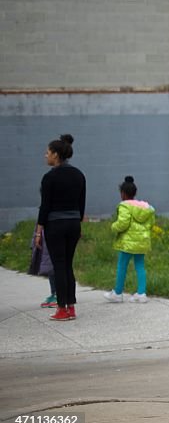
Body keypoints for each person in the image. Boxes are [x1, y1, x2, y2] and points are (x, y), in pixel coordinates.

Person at [36, 134, 86, 321]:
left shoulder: (49, 178)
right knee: (68, 264)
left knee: (59, 265)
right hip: (73, 223)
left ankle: (62, 309)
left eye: (48, 152)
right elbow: (81, 204)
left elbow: (45, 206)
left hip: (55, 225)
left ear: (56, 155)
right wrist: (78, 225)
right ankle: (71, 307)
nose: (45, 155)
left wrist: (39, 230)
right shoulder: (79, 175)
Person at [104, 176, 155, 304]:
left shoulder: (124, 206)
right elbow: (151, 223)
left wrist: (113, 226)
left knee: (122, 266)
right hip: (142, 241)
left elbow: (123, 223)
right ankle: (141, 294)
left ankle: (117, 293)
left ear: (123, 193)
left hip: (128, 242)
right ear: (134, 193)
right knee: (140, 266)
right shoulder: (145, 208)